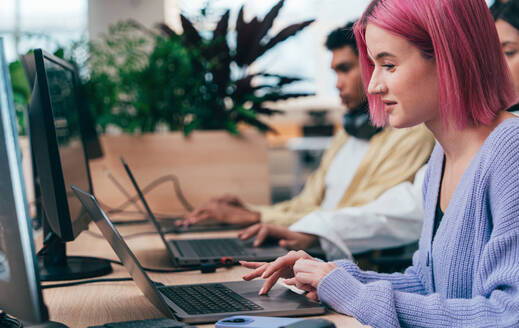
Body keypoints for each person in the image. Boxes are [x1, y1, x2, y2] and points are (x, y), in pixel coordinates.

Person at [241, 0, 519, 326]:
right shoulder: (442, 159)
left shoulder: (510, 152)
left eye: (388, 65)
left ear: (449, 59)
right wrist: (332, 275)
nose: (374, 85)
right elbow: (428, 285)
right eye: (373, 66)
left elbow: (508, 314)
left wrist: (355, 295)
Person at [179, 22, 435, 260]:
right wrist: (249, 211)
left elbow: (360, 212)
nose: (338, 85)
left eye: (345, 69)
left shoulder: (411, 132)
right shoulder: (348, 132)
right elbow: (308, 203)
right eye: (334, 72)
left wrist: (254, 216)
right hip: (312, 248)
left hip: (345, 259)